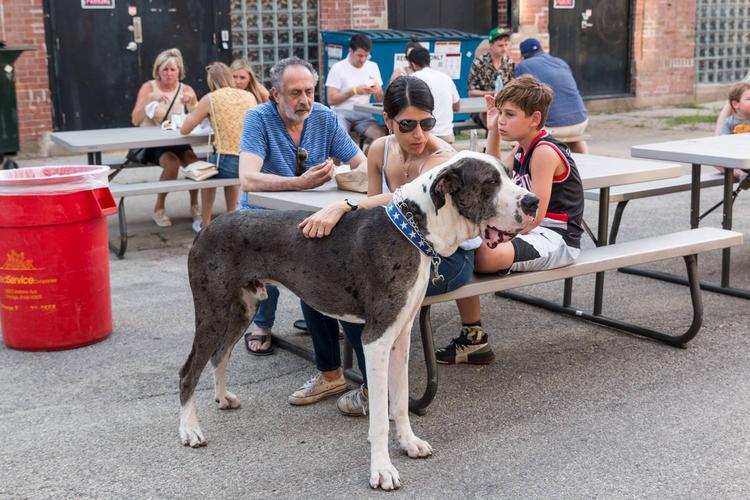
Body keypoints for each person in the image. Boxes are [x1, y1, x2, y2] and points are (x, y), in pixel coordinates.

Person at [298, 75, 493, 416]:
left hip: (445, 258)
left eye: (426, 123)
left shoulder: (443, 156)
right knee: (315, 272)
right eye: (407, 125)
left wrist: (343, 205)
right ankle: (330, 373)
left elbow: (402, 199)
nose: (418, 134)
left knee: (360, 293)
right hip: (397, 250)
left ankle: (374, 390)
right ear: (387, 121)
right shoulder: (378, 148)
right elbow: (375, 212)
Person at [238, 56, 368, 370]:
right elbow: (247, 177)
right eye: (295, 93)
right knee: (269, 253)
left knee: (337, 249)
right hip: (263, 211)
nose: (305, 100)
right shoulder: (259, 118)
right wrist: (299, 182)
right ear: (275, 95)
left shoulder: (323, 116)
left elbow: (361, 164)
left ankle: (325, 313)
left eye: (310, 91)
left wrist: (343, 179)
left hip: (311, 212)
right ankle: (262, 323)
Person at [474, 75, 583, 280]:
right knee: (469, 240)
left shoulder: (543, 151)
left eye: (510, 114)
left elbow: (535, 216)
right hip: (532, 230)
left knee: (484, 254)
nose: (502, 120)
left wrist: (498, 234)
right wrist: (492, 131)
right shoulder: (523, 146)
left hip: (555, 238)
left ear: (534, 119)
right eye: (500, 113)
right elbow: (494, 176)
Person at [180, 62, 259, 232]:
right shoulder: (248, 96)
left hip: (228, 163)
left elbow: (185, 128)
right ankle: (232, 218)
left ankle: (205, 223)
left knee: (208, 172)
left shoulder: (211, 98)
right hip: (251, 163)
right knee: (225, 167)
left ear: (211, 80)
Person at [131, 48, 200, 227]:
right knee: (172, 163)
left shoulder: (186, 89)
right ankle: (159, 208)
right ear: (158, 71)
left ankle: (195, 206)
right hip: (153, 143)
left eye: (173, 69)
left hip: (178, 140)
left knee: (194, 162)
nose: (169, 74)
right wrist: (149, 98)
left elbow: (198, 119)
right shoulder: (149, 87)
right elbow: (135, 119)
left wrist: (192, 104)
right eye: (165, 70)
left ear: (179, 71)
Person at [513, 38, 589, 154]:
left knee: (526, 127)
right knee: (576, 139)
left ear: (523, 55)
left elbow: (519, 99)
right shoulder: (560, 62)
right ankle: (585, 162)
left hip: (553, 128)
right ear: (541, 50)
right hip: (581, 122)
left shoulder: (522, 66)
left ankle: (523, 166)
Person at [325, 33, 386, 143]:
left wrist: (377, 92)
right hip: (341, 112)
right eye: (360, 55)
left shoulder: (373, 66)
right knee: (339, 138)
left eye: (366, 56)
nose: (363, 59)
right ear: (351, 51)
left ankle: (367, 160)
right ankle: (335, 161)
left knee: (381, 137)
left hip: (364, 113)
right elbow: (331, 100)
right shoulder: (338, 68)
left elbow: (380, 99)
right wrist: (354, 91)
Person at [407, 46, 461, 143]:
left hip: (426, 137)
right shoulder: (446, 77)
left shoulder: (412, 78)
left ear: (413, 65)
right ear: (429, 61)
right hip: (447, 135)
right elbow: (457, 107)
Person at [467, 27, 515, 128]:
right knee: (488, 112)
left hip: (504, 104)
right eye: (500, 45)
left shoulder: (510, 63)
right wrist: (491, 93)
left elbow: (513, 86)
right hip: (482, 107)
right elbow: (471, 92)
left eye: (506, 45)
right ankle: (494, 136)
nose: (504, 48)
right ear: (491, 45)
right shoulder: (479, 62)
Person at [715, 81, 750, 179]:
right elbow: (722, 141)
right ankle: (741, 175)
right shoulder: (729, 123)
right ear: (735, 104)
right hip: (736, 158)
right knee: (715, 161)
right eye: (749, 99)